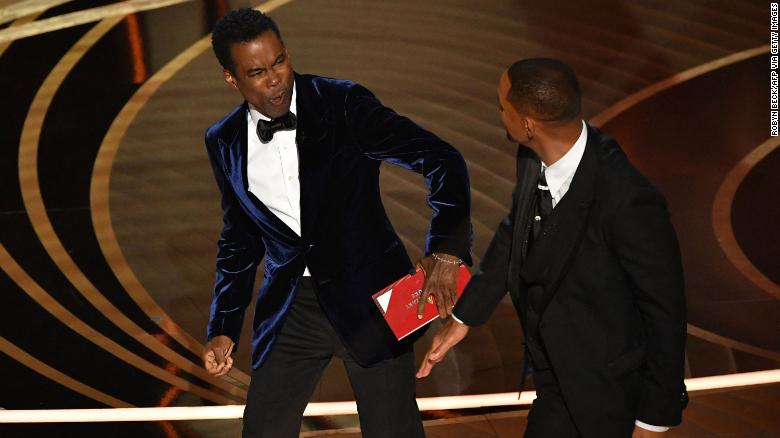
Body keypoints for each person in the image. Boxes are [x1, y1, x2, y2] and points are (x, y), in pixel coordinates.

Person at [200, 8, 472, 438]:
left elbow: (442, 160)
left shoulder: (343, 103)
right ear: (231, 79)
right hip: (292, 309)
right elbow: (239, 238)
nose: (275, 79)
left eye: (280, 62)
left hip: (373, 300)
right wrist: (223, 326)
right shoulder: (224, 139)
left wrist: (448, 248)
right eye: (256, 72)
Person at [417, 58, 687, 437]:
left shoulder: (628, 200)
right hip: (554, 377)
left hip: (608, 391)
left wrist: (654, 419)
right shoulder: (532, 157)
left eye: (501, 106)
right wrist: (464, 318)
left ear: (527, 125)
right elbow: (516, 230)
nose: (497, 112)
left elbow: (665, 310)